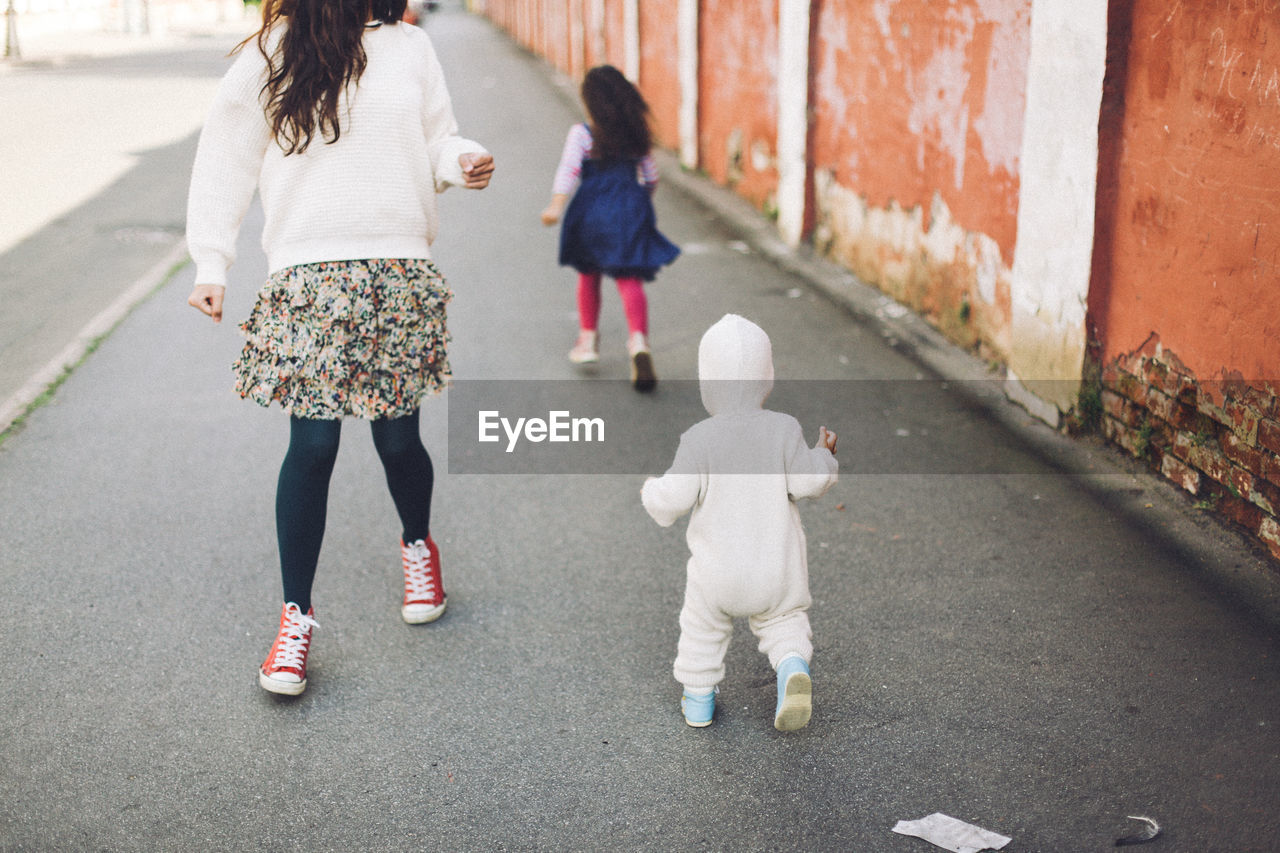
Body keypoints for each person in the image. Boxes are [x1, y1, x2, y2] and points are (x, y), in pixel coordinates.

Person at [185, 0, 494, 696]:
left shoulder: (408, 47)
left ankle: (418, 545)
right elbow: (226, 153)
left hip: (396, 267)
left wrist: (462, 158)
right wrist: (212, 260)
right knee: (315, 446)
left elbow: (436, 139)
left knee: (396, 439)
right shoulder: (274, 48)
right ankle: (295, 617)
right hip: (307, 273)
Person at [641, 314, 838, 730]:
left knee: (702, 629)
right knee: (784, 623)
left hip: (717, 577)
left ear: (705, 382)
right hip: (775, 572)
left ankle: (697, 700)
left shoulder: (699, 439)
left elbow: (672, 498)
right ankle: (791, 669)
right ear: (768, 378)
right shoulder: (784, 430)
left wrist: (650, 489)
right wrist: (824, 454)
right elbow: (809, 482)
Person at [540, 65, 679, 392]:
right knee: (629, 277)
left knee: (588, 273)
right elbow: (651, 177)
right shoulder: (635, 136)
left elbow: (569, 170)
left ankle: (587, 341)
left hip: (591, 211)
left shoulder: (583, 134)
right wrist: (640, 203)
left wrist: (556, 206)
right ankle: (639, 343)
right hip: (629, 208)